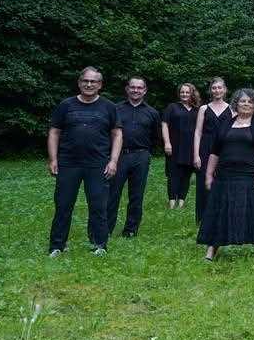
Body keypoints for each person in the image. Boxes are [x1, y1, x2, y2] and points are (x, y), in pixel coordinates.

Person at [47, 67, 122, 256]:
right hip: (68, 163)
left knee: (98, 206)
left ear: (100, 85)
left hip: (98, 164)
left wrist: (113, 160)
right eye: (85, 81)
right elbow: (54, 132)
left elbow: (117, 133)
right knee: (63, 205)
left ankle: (99, 245)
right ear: (79, 83)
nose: (89, 84)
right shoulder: (66, 105)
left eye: (93, 82)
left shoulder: (109, 107)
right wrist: (53, 158)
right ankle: (57, 246)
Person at [198, 89, 254, 262]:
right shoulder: (225, 124)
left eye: (250, 101)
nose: (246, 104)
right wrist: (208, 175)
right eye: (243, 101)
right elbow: (214, 152)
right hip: (225, 177)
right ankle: (211, 249)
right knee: (219, 212)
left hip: (251, 177)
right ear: (236, 104)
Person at [103, 76, 159, 238]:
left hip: (141, 156)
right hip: (118, 156)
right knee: (112, 194)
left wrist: (146, 153)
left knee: (137, 195)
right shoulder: (115, 109)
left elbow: (155, 137)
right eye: (133, 87)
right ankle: (106, 229)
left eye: (139, 88)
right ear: (127, 89)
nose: (136, 90)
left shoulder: (152, 113)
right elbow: (108, 132)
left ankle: (131, 230)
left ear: (145, 90)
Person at [192, 77, 232, 224]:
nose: (217, 90)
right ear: (210, 90)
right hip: (205, 148)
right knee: (204, 183)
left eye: (220, 87)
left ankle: (222, 215)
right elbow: (197, 132)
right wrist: (196, 155)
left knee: (224, 181)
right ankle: (203, 218)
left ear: (225, 90)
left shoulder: (232, 109)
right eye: (214, 88)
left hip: (225, 149)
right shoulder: (204, 109)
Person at [161, 83, 201, 210]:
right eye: (182, 92)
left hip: (191, 147)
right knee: (173, 174)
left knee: (186, 175)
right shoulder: (172, 107)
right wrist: (167, 142)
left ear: (192, 93)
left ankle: (181, 202)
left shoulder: (197, 110)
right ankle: (172, 201)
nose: (184, 94)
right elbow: (164, 125)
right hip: (174, 146)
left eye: (187, 92)